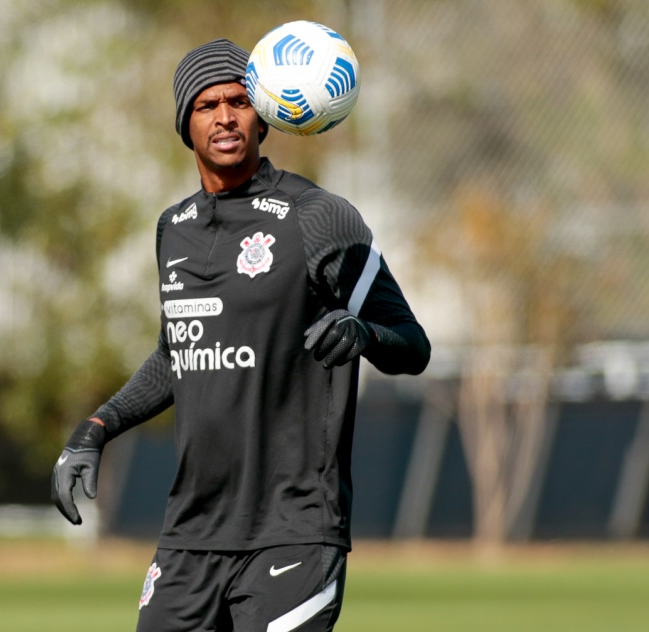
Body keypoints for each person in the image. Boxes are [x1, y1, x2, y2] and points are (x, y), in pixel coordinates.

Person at [52, 38, 430, 632]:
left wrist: (363, 333)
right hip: (191, 532)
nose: (225, 116)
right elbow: (175, 355)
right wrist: (95, 430)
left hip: (294, 529)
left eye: (238, 102)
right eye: (206, 105)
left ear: (266, 114)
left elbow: (412, 345)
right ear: (185, 124)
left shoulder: (320, 215)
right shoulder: (172, 229)